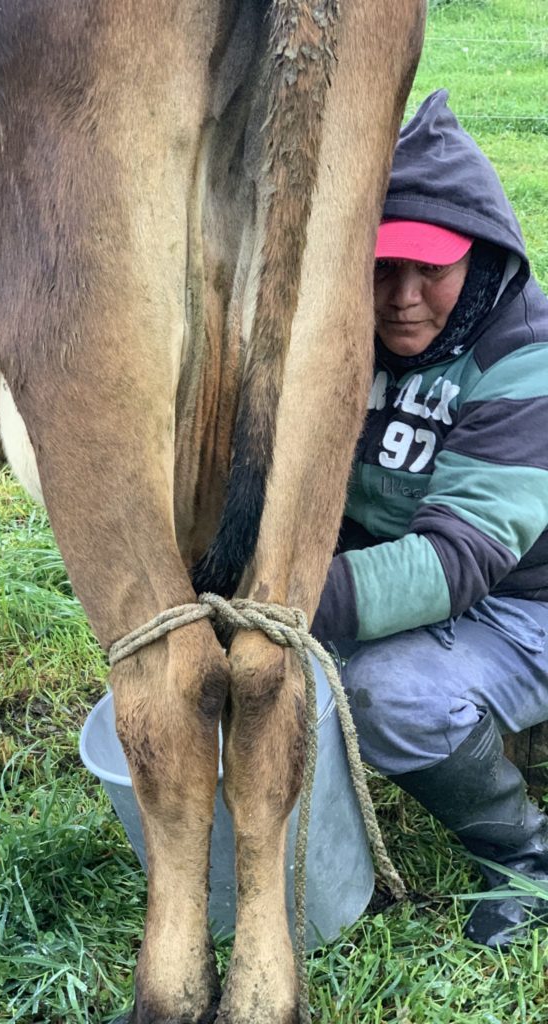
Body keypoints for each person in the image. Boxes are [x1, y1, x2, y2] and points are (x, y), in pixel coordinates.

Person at [312, 89, 548, 949]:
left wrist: (293, 594)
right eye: (381, 267)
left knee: (389, 694)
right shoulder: (345, 338)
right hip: (406, 571)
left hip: (525, 601)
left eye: (433, 270)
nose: (404, 299)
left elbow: (457, 563)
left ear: (479, 257)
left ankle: (525, 853)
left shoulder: (525, 355)